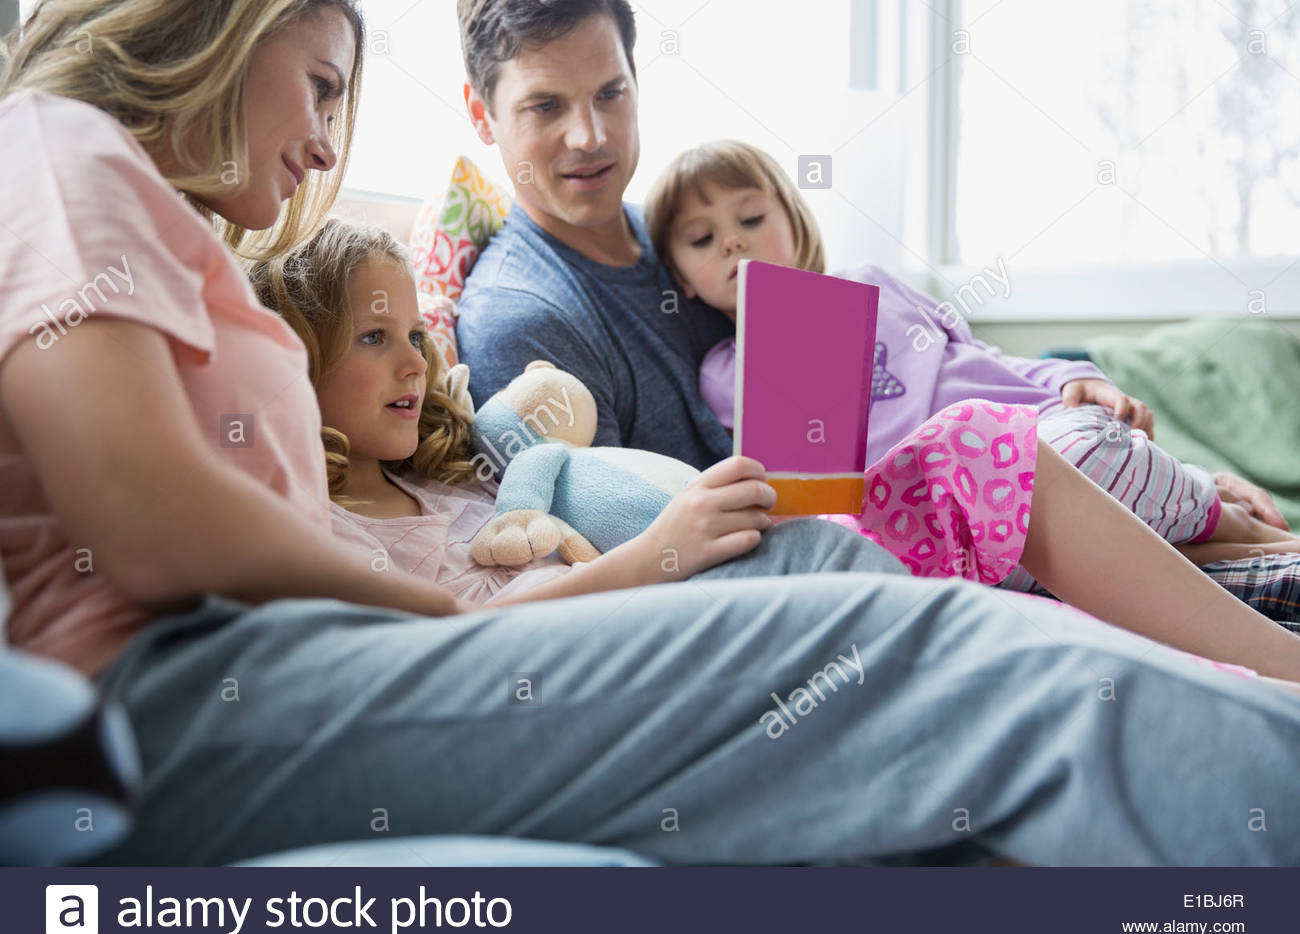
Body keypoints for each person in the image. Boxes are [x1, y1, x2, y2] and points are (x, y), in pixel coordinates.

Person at [3, 0, 1300, 868]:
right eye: (325, 86)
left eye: (612, 95)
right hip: (181, 695)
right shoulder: (56, 151)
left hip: (273, 657)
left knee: (855, 578)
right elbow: (150, 519)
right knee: (935, 648)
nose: (327, 140)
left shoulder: (144, 214)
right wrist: (455, 625)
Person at [452, 0, 1300, 623]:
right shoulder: (525, 317)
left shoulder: (669, 234)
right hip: (826, 553)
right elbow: (586, 542)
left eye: (610, 93)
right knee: (1021, 459)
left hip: (921, 471)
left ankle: (1207, 514)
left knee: (1071, 421)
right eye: (545, 106)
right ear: (481, 115)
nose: (590, 138)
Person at [256, 217, 1300, 684]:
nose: (411, 361)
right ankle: (1266, 654)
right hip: (711, 592)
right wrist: (658, 549)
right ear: (289, 365)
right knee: (996, 485)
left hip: (762, 525)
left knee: (986, 444)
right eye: (370, 337)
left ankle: (1266, 644)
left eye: (414, 333)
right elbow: (465, 634)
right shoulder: (325, 529)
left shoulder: (453, 467)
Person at [643, 140, 1300, 580]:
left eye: (751, 218)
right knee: (1044, 543)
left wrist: (1076, 377)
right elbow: (784, 477)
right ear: (685, 278)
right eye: (703, 239)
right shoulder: (723, 374)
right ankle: (1213, 520)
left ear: (793, 218)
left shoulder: (869, 283)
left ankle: (1247, 529)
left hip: (1038, 435)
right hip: (948, 510)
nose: (732, 241)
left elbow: (982, 356)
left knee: (1079, 453)